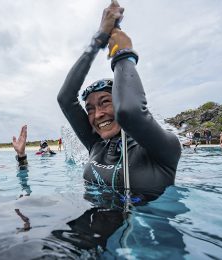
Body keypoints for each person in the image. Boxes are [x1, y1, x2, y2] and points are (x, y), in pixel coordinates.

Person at [57, 1, 181, 200]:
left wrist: (123, 54)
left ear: (120, 97)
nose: (97, 115)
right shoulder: (96, 145)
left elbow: (129, 112)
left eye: (105, 102)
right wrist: (98, 39)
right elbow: (65, 98)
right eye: (89, 108)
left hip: (144, 229)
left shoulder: (162, 148)